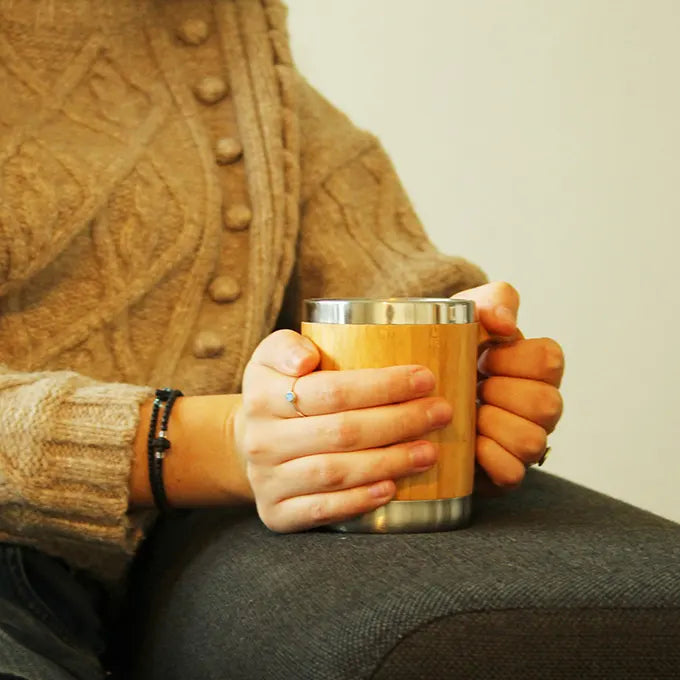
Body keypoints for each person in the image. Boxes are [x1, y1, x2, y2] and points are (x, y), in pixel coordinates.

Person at [0, 1, 564, 678]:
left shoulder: (225, 36)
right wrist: (209, 440)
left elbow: (387, 274)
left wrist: (476, 369)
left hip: (111, 584)